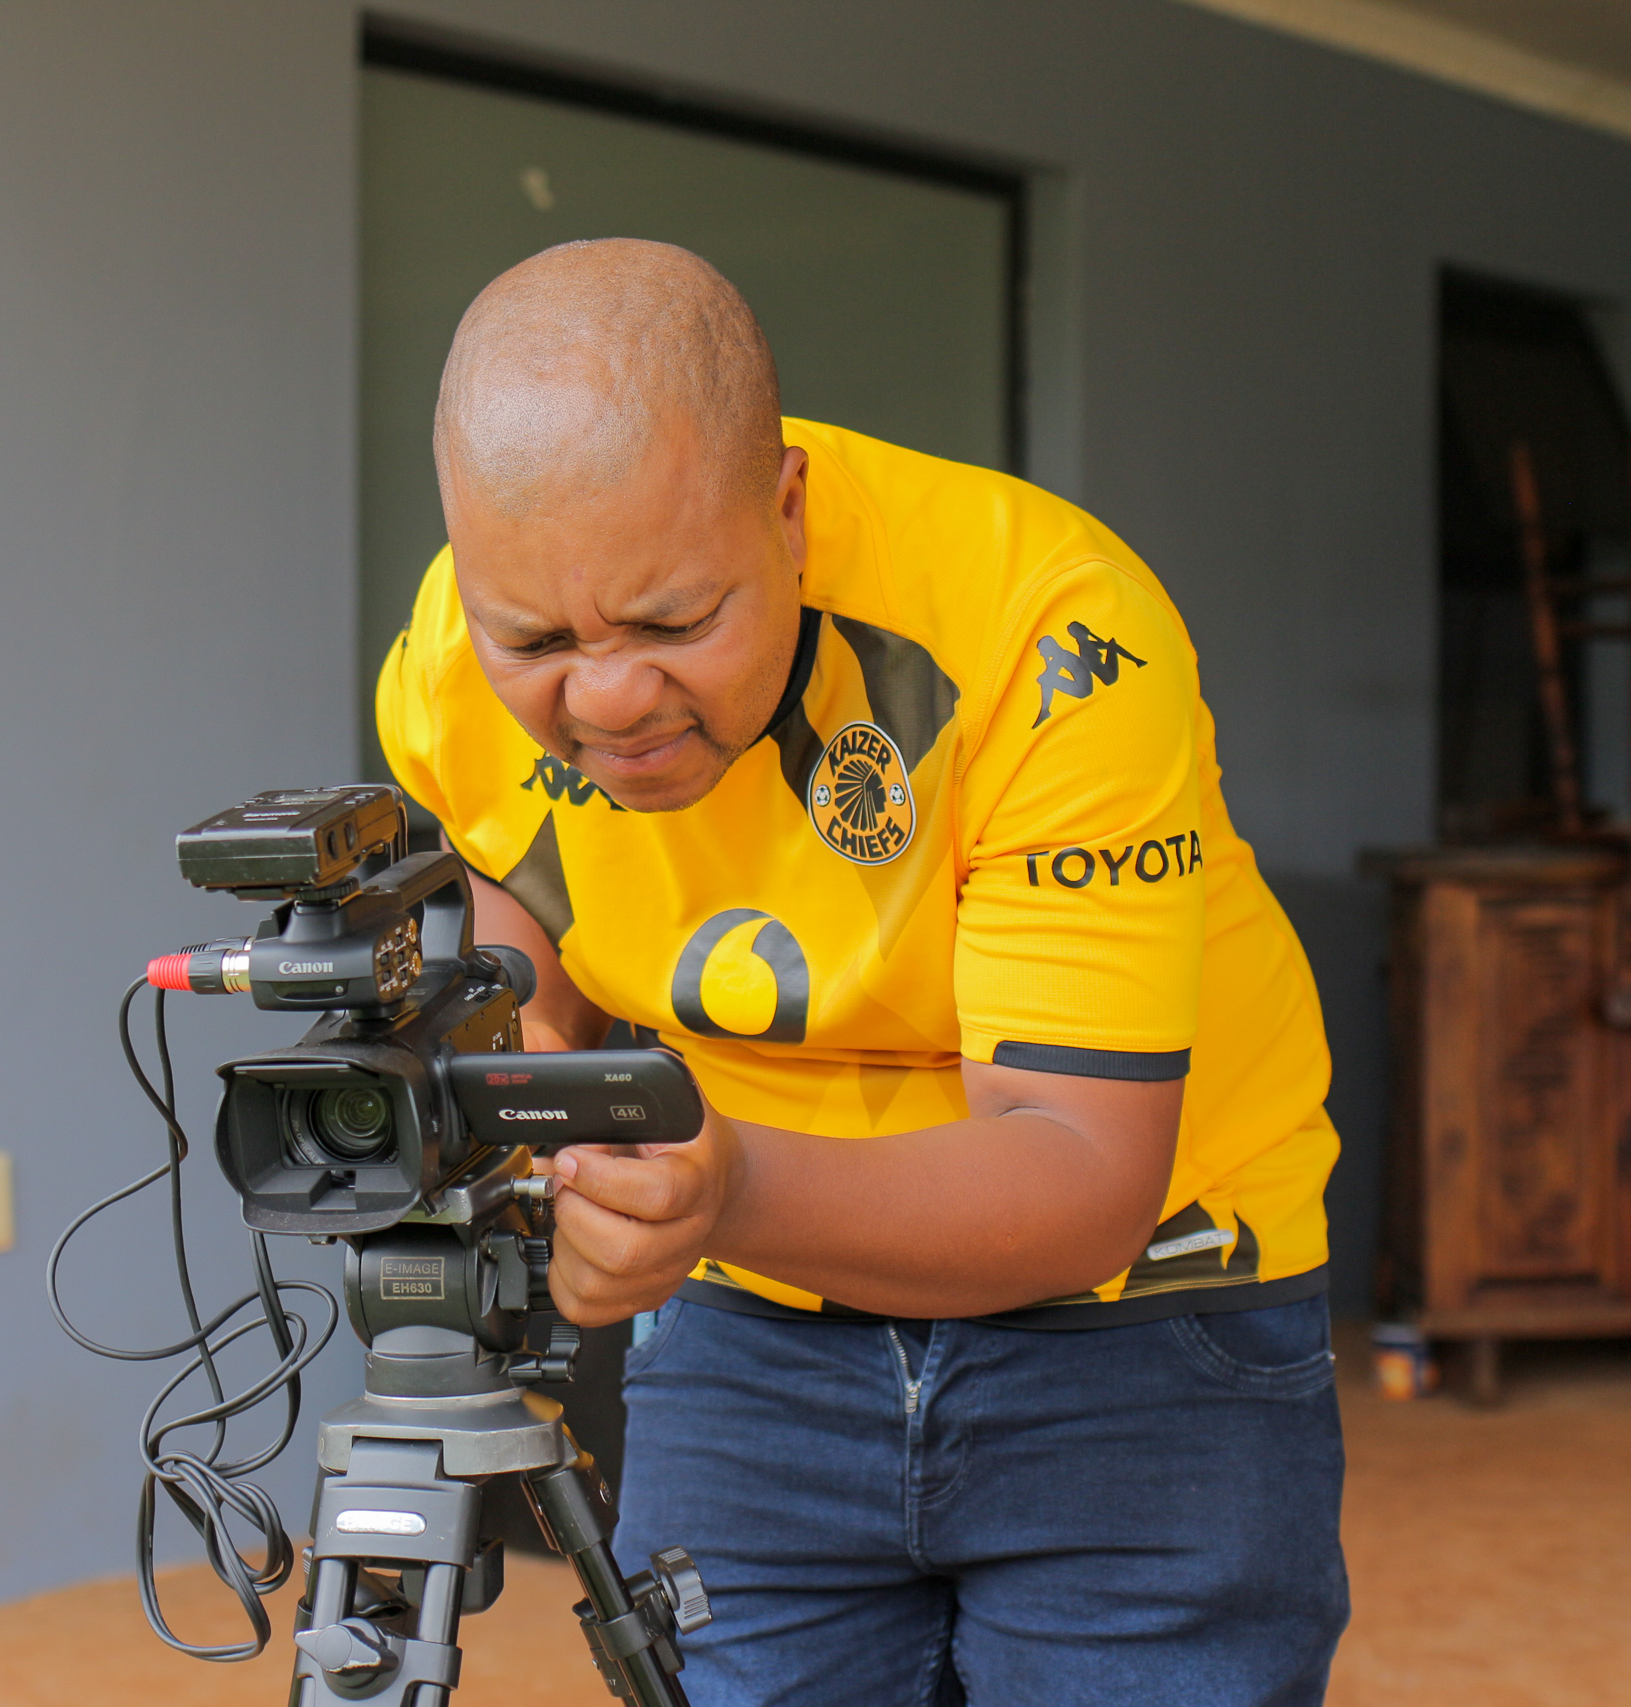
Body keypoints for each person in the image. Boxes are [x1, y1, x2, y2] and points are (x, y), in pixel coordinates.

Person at [377, 238, 1346, 1707]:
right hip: (747, 1314)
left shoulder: (1055, 636)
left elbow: (1081, 1167)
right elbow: (520, 893)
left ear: (788, 513)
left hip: (1149, 1315)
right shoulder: (456, 649)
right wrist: (512, 1064)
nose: (609, 695)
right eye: (539, 641)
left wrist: (719, 1191)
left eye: (674, 623)